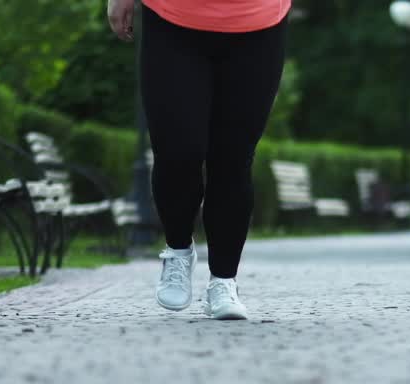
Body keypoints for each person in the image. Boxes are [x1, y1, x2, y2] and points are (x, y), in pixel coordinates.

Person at [108, 0, 291, 320]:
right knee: (177, 149)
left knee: (233, 159)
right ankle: (178, 249)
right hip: (173, 18)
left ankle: (223, 281)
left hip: (258, 22)